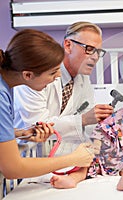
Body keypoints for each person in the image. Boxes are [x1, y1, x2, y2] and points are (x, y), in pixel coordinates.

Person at [0, 29, 95, 179]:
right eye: (52, 73)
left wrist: (18, 133)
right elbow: (13, 169)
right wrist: (73, 159)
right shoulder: (1, 95)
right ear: (28, 75)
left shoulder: (6, 84)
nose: (58, 77)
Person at [14, 22, 114, 155]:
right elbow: (37, 125)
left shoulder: (83, 79)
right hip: (25, 153)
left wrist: (103, 136)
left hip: (58, 153)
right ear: (68, 45)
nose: (95, 57)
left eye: (98, 52)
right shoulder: (37, 73)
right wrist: (83, 119)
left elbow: (89, 123)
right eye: (89, 49)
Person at [50, 82, 123, 191]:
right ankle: (72, 179)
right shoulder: (118, 116)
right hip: (107, 157)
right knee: (86, 162)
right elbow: (101, 129)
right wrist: (96, 145)